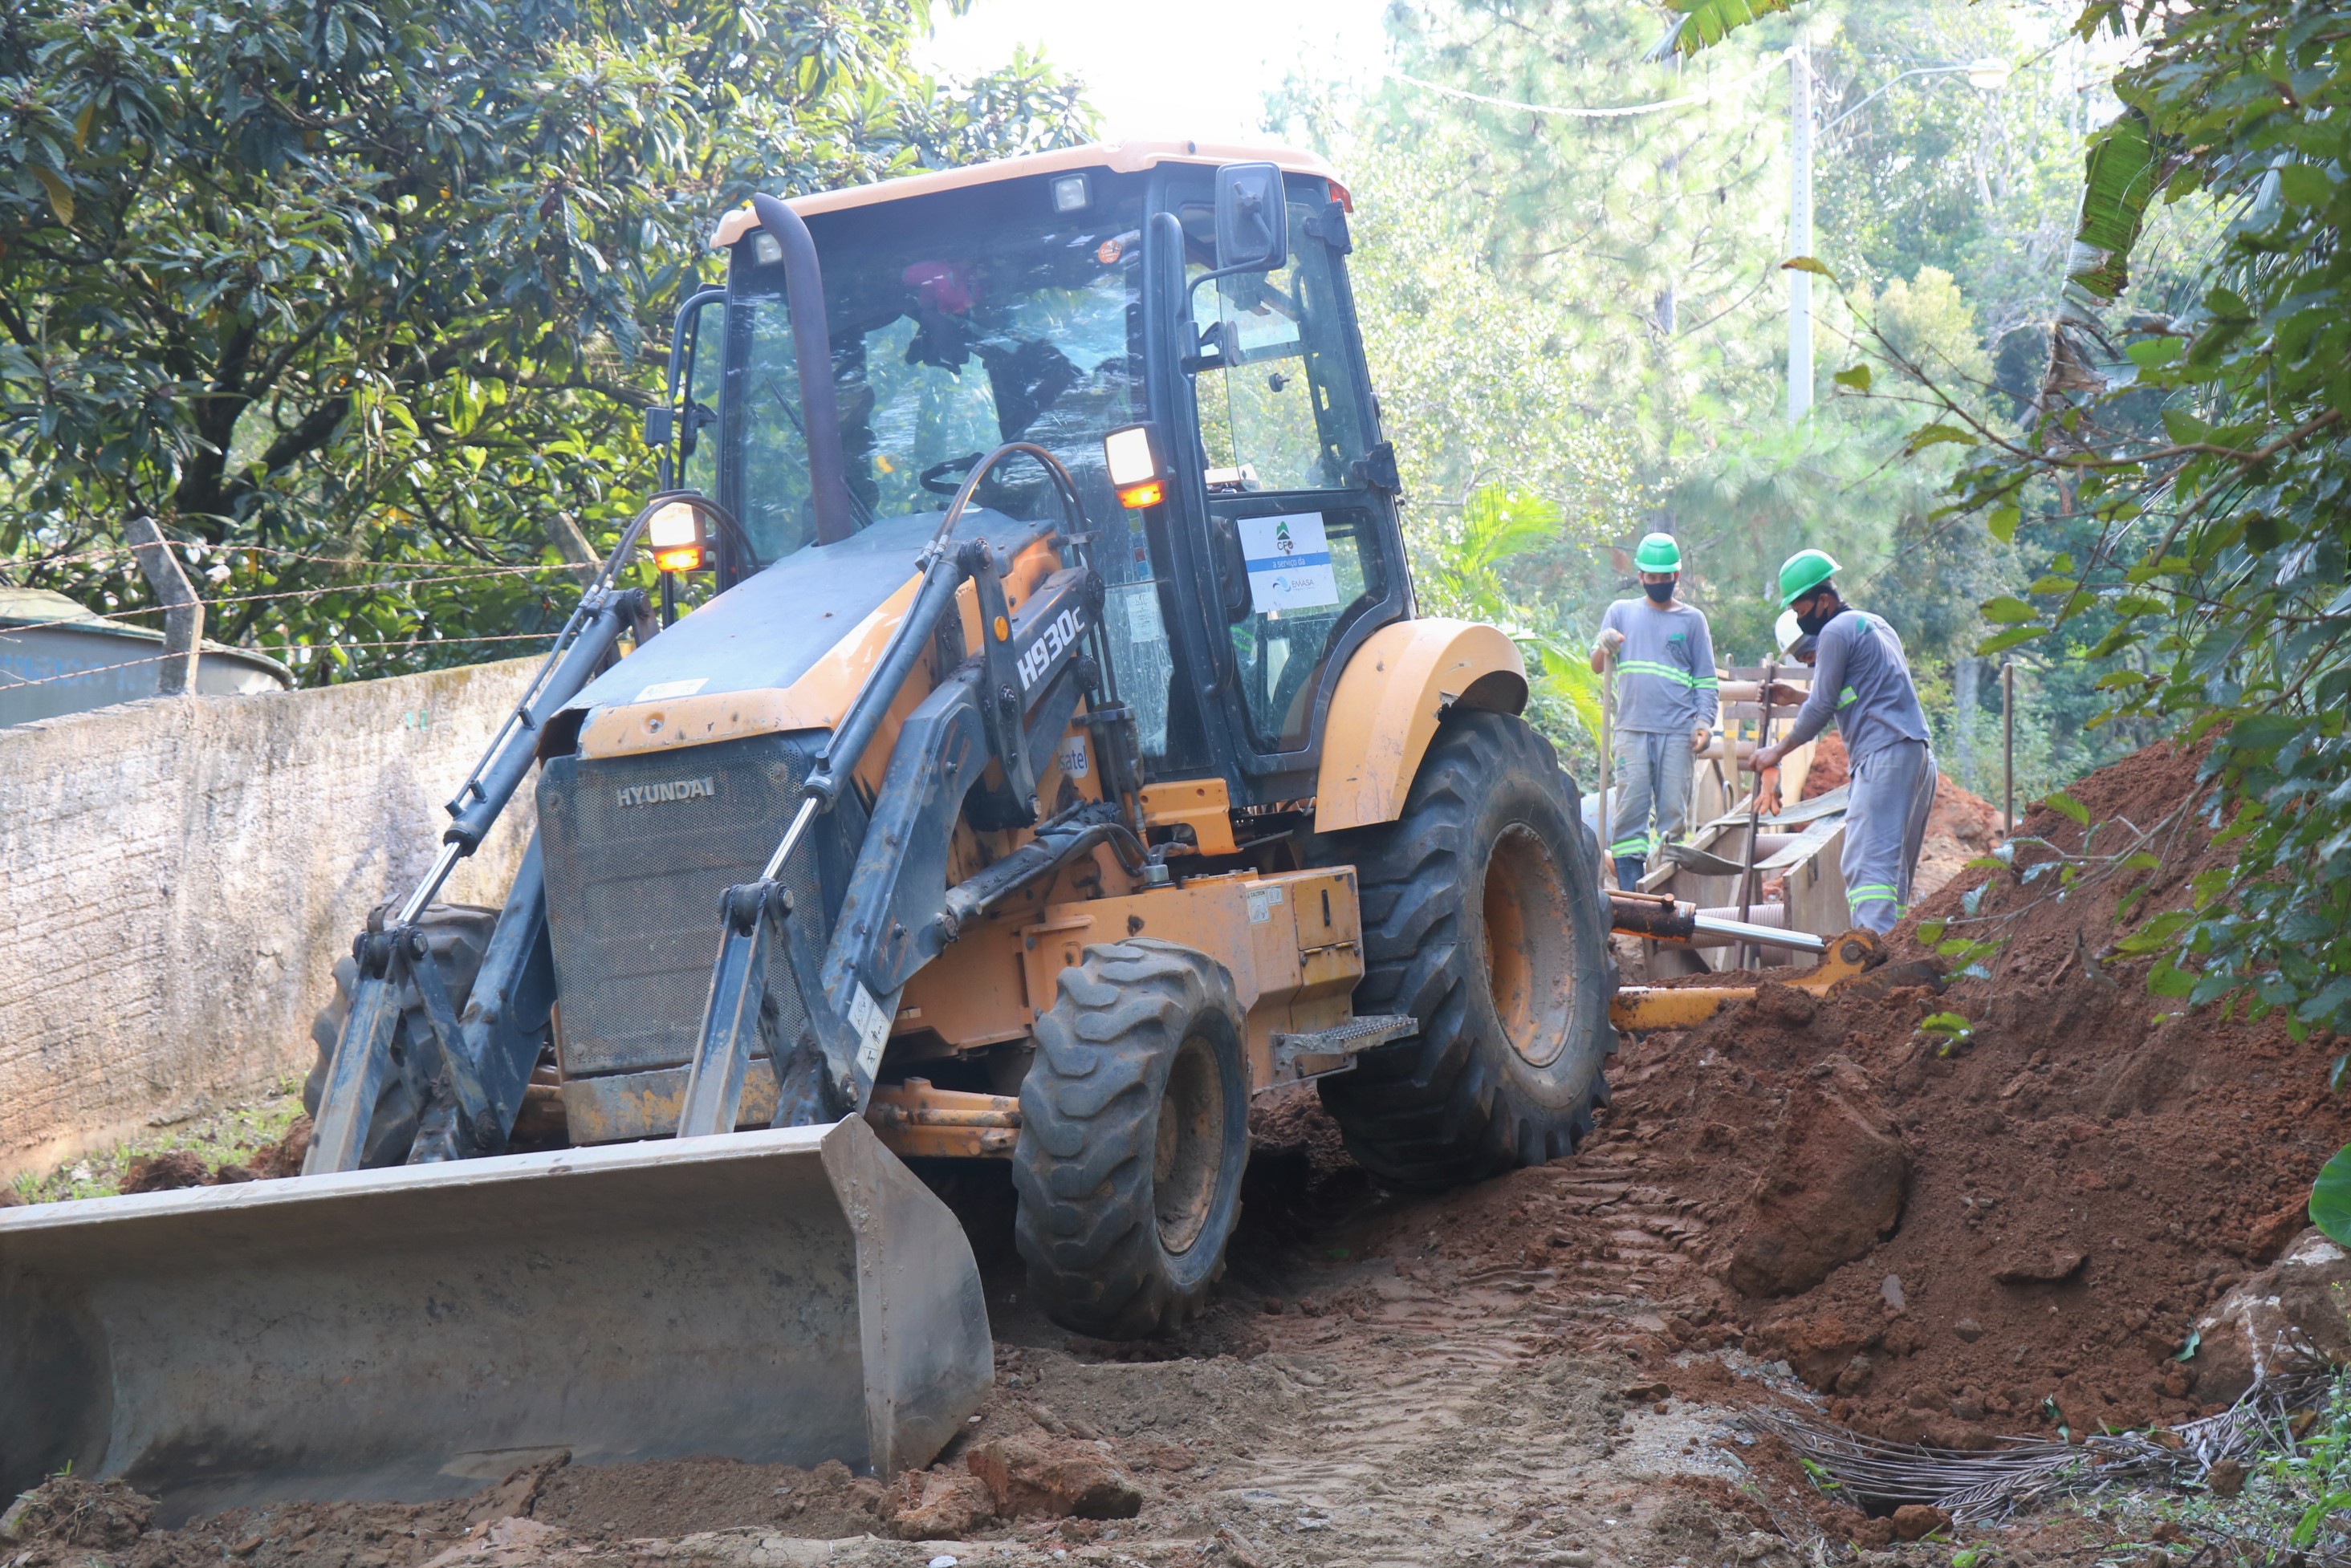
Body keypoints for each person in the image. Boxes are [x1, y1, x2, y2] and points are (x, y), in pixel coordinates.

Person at [1751, 549, 1936, 935]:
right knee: (1892, 866)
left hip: (1883, 755)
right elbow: (1856, 695)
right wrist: (1797, 697)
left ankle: (1871, 957)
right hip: (1915, 753)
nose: (1801, 619)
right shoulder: (1874, 625)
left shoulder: (1834, 630)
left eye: (1801, 611)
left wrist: (1777, 751)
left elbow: (1822, 706)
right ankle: (1893, 947)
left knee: (1866, 861)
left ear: (1823, 601)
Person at [1590, 532, 1718, 891]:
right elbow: (1597, 666)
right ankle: (1632, 892)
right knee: (1629, 810)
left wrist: (1704, 723)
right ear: (1641, 576)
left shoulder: (1693, 621)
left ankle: (1665, 890)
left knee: (1672, 815)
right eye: (1653, 577)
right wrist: (1604, 645)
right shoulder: (1620, 613)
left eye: (1666, 577)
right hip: (1631, 730)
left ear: (1676, 577)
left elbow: (1706, 680)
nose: (1660, 583)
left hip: (1677, 732)